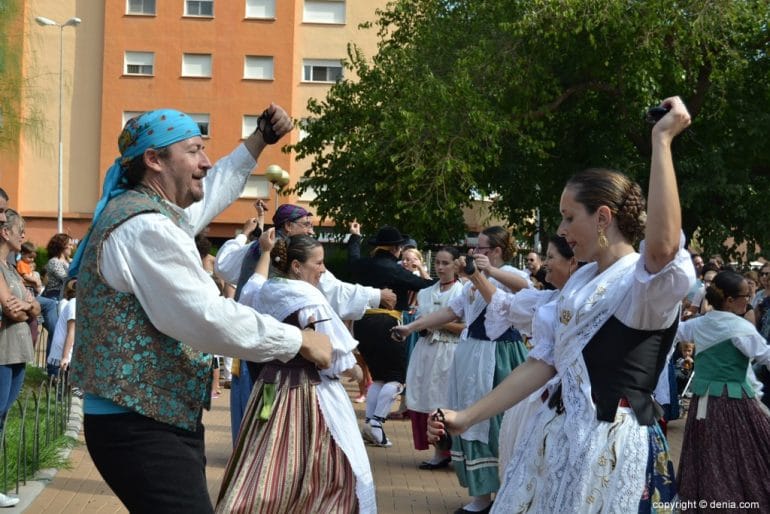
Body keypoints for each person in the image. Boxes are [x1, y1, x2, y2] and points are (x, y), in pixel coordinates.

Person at [428, 96, 694, 513]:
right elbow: (545, 362)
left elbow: (661, 250)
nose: (561, 230)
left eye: (569, 217)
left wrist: (662, 141)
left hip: (611, 445)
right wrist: (467, 416)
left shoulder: (642, 283)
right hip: (558, 438)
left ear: (603, 218)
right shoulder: (582, 280)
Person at [69, 105, 332, 514]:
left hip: (148, 418)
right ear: (154, 160)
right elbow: (205, 316)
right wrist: (298, 341)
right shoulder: (145, 228)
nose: (206, 162)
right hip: (137, 424)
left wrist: (260, 138)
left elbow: (219, 185)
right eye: (193, 151)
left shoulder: (152, 214)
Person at [216, 232, 375, 513]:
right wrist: (358, 373)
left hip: (268, 386)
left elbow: (252, 285)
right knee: (324, 466)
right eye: (319, 263)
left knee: (264, 460)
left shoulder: (265, 291)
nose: (323, 269)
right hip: (306, 389)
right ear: (297, 266)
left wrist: (265, 252)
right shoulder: (308, 297)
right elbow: (331, 352)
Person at [215, 206, 394, 443]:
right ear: (289, 227)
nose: (311, 230)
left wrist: (249, 240)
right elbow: (333, 295)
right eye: (307, 224)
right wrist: (376, 296)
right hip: (292, 382)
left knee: (256, 434)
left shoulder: (258, 256)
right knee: (291, 443)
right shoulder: (305, 289)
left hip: (254, 359)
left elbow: (229, 269)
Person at [393, 226, 531, 514]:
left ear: (495, 251)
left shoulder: (515, 277)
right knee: (467, 414)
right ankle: (481, 495)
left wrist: (482, 273)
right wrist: (412, 327)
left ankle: (505, 492)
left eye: (480, 248)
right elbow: (450, 312)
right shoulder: (470, 284)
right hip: (471, 355)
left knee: (498, 422)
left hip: (499, 357)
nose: (474, 253)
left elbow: (508, 299)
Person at [467, 234, 579, 475]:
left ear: (573, 263)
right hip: (541, 395)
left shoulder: (580, 304)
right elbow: (504, 303)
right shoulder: (549, 299)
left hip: (568, 404)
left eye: (550, 257)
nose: (544, 263)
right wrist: (475, 275)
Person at [675, 270, 770, 509]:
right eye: (745, 296)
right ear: (729, 300)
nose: (748, 301)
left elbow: (674, 331)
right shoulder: (740, 327)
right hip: (734, 403)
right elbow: (766, 355)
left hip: (703, 404)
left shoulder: (700, 323)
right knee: (747, 456)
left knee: (707, 455)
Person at [350, 226, 435, 448]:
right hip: (386, 323)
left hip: (362, 323)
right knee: (396, 377)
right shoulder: (393, 269)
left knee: (378, 376)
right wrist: (422, 270)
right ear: (396, 248)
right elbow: (425, 286)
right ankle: (376, 424)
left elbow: (353, 255)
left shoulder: (363, 264)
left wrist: (355, 236)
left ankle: (370, 424)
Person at [404, 246, 465, 469]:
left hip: (451, 352)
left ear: (456, 264)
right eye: (437, 262)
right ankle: (437, 450)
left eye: (445, 263)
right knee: (425, 397)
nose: (440, 267)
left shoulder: (463, 292)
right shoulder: (425, 293)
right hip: (427, 350)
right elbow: (421, 322)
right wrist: (421, 326)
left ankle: (450, 450)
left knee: (445, 399)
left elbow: (465, 327)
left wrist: (437, 322)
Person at [0, 209, 40, 508]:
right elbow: (13, 310)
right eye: (20, 229)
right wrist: (27, 307)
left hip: (17, 351)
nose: (24, 236)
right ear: (5, 232)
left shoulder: (12, 268)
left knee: (3, 418)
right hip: (2, 353)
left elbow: (35, 307)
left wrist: (28, 307)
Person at [42, 233, 73, 299]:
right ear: (62, 245)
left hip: (65, 296)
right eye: (70, 245)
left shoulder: (69, 261)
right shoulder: (54, 261)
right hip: (55, 296)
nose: (72, 247)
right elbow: (65, 278)